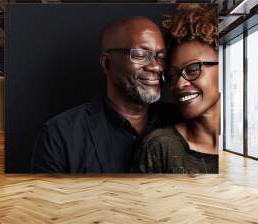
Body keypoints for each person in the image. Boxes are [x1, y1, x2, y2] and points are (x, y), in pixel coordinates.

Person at [31, 17, 167, 173]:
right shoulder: (59, 135)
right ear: (106, 63)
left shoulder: (178, 122)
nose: (156, 67)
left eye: (161, 57)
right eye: (141, 55)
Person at [132, 5, 220, 174]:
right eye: (172, 76)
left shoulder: (250, 147)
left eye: (193, 69)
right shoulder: (161, 146)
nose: (179, 84)